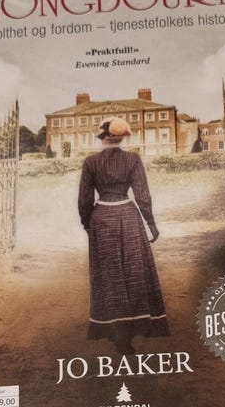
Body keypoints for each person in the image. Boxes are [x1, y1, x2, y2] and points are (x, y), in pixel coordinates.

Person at [78, 116, 169, 354]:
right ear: (121, 138)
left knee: (110, 276)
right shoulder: (132, 159)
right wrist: (151, 223)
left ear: (102, 137)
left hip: (102, 219)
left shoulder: (90, 162)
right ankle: (134, 328)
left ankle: (117, 332)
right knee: (134, 271)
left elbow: (85, 200)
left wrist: (87, 223)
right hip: (129, 216)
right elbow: (142, 194)